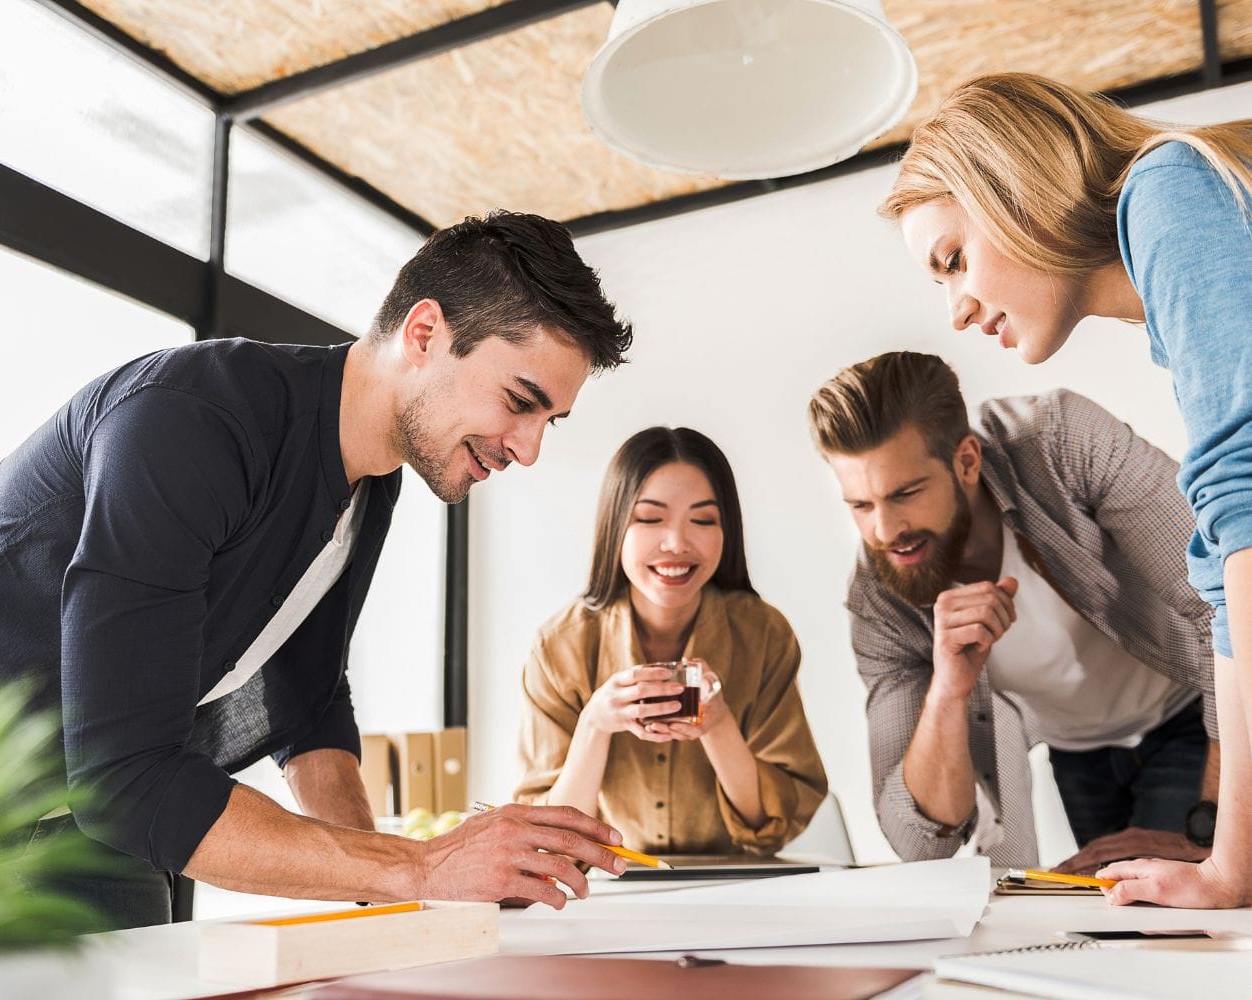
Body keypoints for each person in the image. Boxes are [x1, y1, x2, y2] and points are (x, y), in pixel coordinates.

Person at [0, 211, 635, 929]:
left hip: (74, 815)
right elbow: (125, 775)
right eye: (519, 403)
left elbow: (308, 704)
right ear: (424, 335)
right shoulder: (190, 419)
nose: (529, 449)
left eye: (549, 421)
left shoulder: (371, 485)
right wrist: (420, 865)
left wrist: (404, 897)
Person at [881, 72, 1252, 907]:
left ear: (1013, 188)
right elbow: (1230, 568)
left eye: (953, 260)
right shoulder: (1170, 267)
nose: (957, 309)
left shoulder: (1168, 192)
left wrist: (1229, 864)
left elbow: (1245, 525)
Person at [808, 352, 1216, 872]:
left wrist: (1211, 824)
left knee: (1170, 913)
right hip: (1077, 752)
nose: (885, 531)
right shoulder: (880, 597)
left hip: (1192, 714)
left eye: (905, 493)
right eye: (860, 506)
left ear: (967, 461)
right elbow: (920, 841)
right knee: (1122, 916)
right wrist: (949, 689)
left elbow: (1223, 603)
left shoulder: (1059, 439)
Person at [515, 427, 827, 854]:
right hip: (606, 896)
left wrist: (718, 726)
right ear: (615, 525)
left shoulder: (764, 634)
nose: (677, 543)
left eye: (702, 520)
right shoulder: (559, 647)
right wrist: (595, 724)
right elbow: (551, 843)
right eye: (649, 518)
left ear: (727, 531)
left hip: (737, 890)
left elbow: (772, 824)